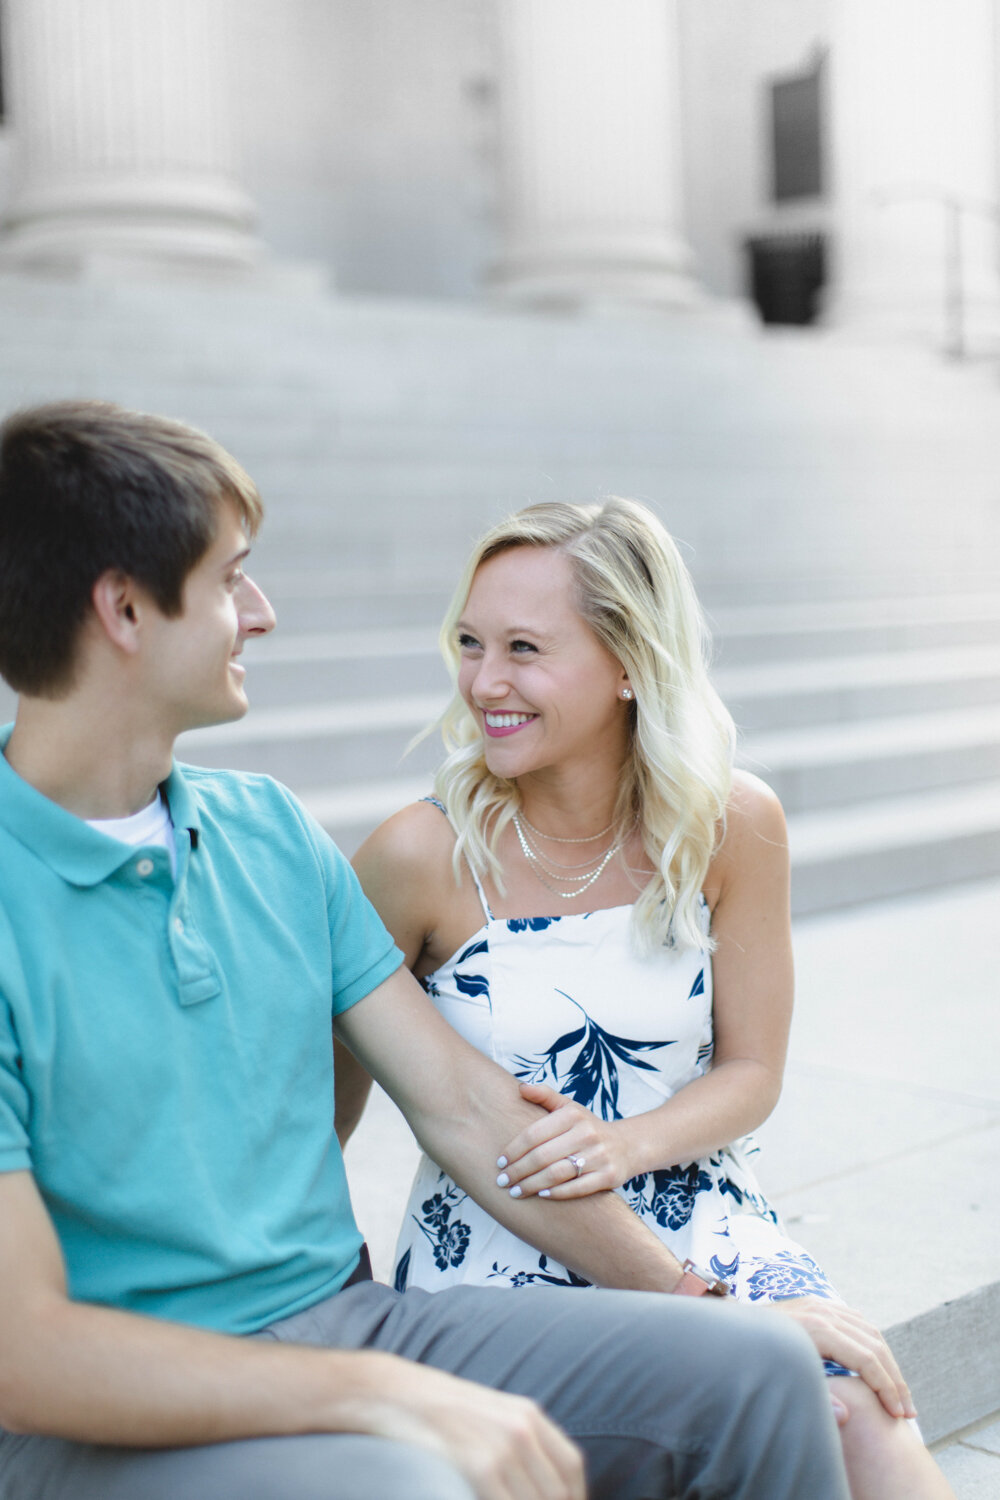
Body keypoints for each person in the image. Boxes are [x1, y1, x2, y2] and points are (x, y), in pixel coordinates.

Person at [0, 402, 866, 1500]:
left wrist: (700, 1296)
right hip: (112, 1413)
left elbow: (465, 1108)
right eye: (231, 580)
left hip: (347, 1327)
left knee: (757, 1367)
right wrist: (381, 1396)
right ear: (123, 609)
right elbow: (23, 1359)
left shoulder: (269, 830)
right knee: (414, 1484)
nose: (262, 613)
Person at [350, 497, 956, 1500]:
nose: (483, 682)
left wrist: (628, 1144)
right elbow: (324, 1104)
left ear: (629, 663)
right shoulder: (415, 857)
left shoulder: (731, 824)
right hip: (497, 1243)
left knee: (859, 1406)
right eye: (470, 643)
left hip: (700, 1206)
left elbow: (752, 1071)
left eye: (524, 649)